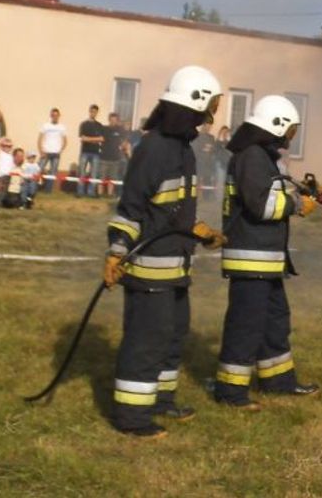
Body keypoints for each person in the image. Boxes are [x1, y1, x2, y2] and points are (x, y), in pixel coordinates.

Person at [103, 65, 225, 439]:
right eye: (210, 108)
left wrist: (197, 230)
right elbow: (131, 207)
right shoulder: (153, 148)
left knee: (173, 334)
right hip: (149, 268)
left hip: (175, 267)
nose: (210, 118)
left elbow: (173, 207)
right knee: (146, 340)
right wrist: (115, 253)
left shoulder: (182, 151)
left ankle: (161, 400)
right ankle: (132, 417)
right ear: (194, 105)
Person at [214, 94, 319, 410]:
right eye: (290, 130)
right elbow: (261, 205)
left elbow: (275, 191)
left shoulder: (264, 157)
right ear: (277, 125)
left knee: (275, 320)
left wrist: (303, 193)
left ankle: (278, 382)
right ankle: (231, 392)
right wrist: (298, 206)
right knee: (246, 324)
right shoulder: (252, 157)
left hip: (267, 259)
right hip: (251, 257)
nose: (291, 137)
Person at [98, 112, 128, 198]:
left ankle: (110, 194)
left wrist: (123, 145)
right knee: (101, 177)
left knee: (112, 179)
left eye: (115, 120)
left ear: (117, 120)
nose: (113, 122)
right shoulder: (104, 129)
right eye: (111, 120)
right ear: (109, 120)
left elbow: (125, 138)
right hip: (104, 158)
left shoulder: (120, 129)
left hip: (115, 159)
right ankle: (100, 194)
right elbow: (100, 138)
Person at [77, 105, 105, 197]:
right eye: (92, 111)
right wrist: (95, 139)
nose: (93, 113)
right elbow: (83, 138)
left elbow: (101, 139)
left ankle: (91, 192)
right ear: (89, 111)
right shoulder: (84, 124)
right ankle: (80, 192)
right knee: (82, 172)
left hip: (95, 153)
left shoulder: (99, 125)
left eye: (95, 111)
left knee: (94, 173)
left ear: (97, 113)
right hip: (85, 151)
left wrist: (89, 139)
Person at [37, 108, 67, 193]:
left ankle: (48, 190)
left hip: (56, 153)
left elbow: (65, 141)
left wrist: (60, 150)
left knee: (53, 173)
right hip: (46, 151)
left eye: (56, 115)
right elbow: (39, 139)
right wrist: (41, 151)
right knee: (39, 169)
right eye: (53, 115)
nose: (55, 117)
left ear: (59, 116)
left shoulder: (62, 127)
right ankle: (33, 187)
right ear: (51, 116)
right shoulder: (45, 125)